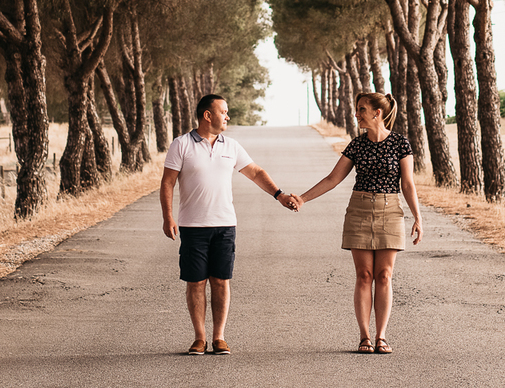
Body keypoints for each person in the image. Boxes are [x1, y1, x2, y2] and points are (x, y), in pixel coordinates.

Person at [161, 93, 298, 356]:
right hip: (192, 226)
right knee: (196, 282)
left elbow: (255, 172)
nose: (228, 116)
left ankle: (219, 337)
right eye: (223, 111)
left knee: (221, 281)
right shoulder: (181, 145)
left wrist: (279, 195)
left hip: (225, 226)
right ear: (207, 115)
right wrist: (168, 217)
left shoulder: (231, 146)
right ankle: (199, 338)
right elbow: (167, 182)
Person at [291, 91, 422, 355]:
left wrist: (418, 217)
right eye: (357, 109)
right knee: (364, 276)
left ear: (378, 113)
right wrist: (303, 198)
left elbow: (407, 183)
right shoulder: (357, 145)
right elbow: (333, 178)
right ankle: (364, 337)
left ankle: (381, 336)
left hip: (390, 210)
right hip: (359, 211)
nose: (356, 114)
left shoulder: (400, 144)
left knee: (384, 276)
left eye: (361, 109)